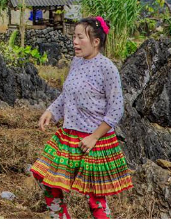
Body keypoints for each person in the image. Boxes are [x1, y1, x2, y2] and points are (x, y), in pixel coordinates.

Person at [31, 17, 132, 219]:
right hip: (70, 136)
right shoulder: (76, 62)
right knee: (44, 176)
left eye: (80, 37)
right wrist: (51, 111)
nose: (75, 42)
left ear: (96, 41)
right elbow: (68, 94)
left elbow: (116, 109)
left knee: (96, 201)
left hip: (95, 141)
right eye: (73, 37)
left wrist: (94, 137)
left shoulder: (107, 68)